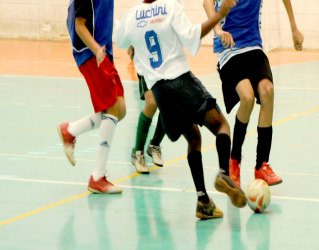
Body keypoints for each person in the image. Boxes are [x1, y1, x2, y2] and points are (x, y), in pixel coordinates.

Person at [116, 0, 246, 219]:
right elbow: (193, 35)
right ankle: (224, 173)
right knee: (221, 125)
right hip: (182, 82)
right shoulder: (170, 6)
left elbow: (120, 41)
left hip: (160, 92)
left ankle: (203, 201)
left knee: (193, 139)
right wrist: (220, 14)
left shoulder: (130, 16)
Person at [203, 0, 304, 187]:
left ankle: (262, 165)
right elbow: (207, 2)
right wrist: (217, 29)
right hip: (229, 48)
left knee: (268, 91)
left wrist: (294, 28)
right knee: (247, 97)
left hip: (253, 46)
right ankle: (234, 161)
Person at [57, 0, 126, 194]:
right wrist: (96, 49)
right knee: (112, 107)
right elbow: (79, 25)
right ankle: (98, 177)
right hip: (91, 53)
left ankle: (70, 130)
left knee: (120, 108)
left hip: (103, 52)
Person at [128, 46, 165, 174]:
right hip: (145, 62)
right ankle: (137, 152)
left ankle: (154, 144)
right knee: (152, 102)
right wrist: (131, 46)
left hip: (165, 62)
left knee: (169, 104)